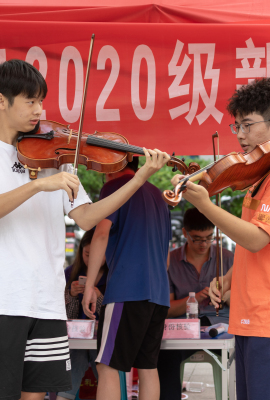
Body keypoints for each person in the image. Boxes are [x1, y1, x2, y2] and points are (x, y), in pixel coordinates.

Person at [0, 59, 169, 400]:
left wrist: (138, 179)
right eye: (30, 101)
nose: (39, 110)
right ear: (1, 100)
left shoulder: (55, 159)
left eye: (41, 101)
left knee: (37, 395)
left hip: (47, 301)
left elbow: (87, 218)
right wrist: (36, 186)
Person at [177, 77, 270, 400]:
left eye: (248, 125)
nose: (240, 135)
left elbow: (256, 239)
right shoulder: (262, 175)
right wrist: (227, 279)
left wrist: (205, 206)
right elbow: (256, 252)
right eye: (236, 126)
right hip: (253, 319)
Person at [82, 157, 171, 400]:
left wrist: (89, 285)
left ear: (114, 162)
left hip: (127, 290)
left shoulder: (114, 186)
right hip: (159, 294)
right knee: (148, 367)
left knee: (107, 366)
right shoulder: (158, 196)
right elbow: (166, 258)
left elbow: (101, 233)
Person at [157, 207, 233, 400]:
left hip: (221, 327)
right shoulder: (171, 261)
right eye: (197, 239)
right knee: (164, 355)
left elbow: (244, 301)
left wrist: (224, 295)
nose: (204, 244)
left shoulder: (227, 258)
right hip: (183, 329)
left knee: (242, 355)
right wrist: (196, 298)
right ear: (185, 233)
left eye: (209, 238)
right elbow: (167, 309)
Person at [56, 230, 108, 400]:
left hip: (103, 338)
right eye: (87, 254)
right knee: (75, 356)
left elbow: (112, 315)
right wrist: (71, 295)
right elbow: (66, 317)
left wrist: (98, 296)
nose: (92, 259)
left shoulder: (113, 276)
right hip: (76, 339)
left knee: (101, 360)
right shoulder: (70, 273)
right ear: (80, 253)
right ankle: (64, 396)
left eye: (98, 254)